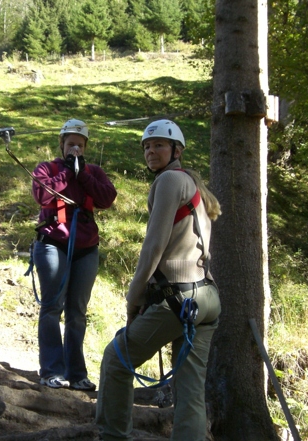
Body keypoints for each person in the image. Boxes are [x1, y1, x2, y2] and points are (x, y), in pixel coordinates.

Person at [95, 119, 222, 440]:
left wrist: (134, 296)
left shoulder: (168, 181)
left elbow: (154, 246)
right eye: (147, 147)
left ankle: (112, 436)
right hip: (206, 299)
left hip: (177, 298)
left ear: (176, 150)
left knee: (116, 360)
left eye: (159, 146)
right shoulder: (195, 186)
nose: (151, 151)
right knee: (190, 388)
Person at [31, 118, 117, 391]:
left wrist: (82, 175)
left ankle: (77, 373)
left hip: (85, 248)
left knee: (77, 312)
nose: (75, 150)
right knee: (52, 306)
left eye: (80, 146)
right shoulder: (48, 168)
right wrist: (67, 173)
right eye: (71, 145)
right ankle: (51, 371)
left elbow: (107, 198)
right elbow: (42, 197)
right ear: (62, 145)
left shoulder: (94, 172)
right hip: (53, 243)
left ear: (85, 147)